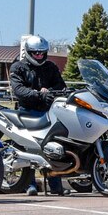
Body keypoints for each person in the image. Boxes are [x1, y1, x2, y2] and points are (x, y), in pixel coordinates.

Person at [9, 34, 68, 196]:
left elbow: (60, 85)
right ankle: (30, 184)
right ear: (29, 52)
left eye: (42, 53)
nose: (39, 56)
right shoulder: (18, 68)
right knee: (29, 148)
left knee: (53, 146)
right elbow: (19, 90)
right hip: (27, 112)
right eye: (36, 53)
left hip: (49, 112)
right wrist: (38, 94)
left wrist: (51, 91)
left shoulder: (51, 67)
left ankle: (56, 185)